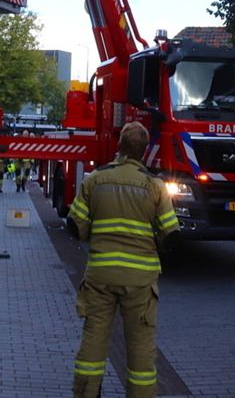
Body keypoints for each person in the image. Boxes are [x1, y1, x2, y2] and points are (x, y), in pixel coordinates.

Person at [66, 122, 179, 398]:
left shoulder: (95, 179)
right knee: (141, 347)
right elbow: (171, 235)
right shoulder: (156, 186)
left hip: (101, 276)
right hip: (140, 280)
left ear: (119, 146)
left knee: (93, 340)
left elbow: (75, 225)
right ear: (144, 150)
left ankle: (85, 392)